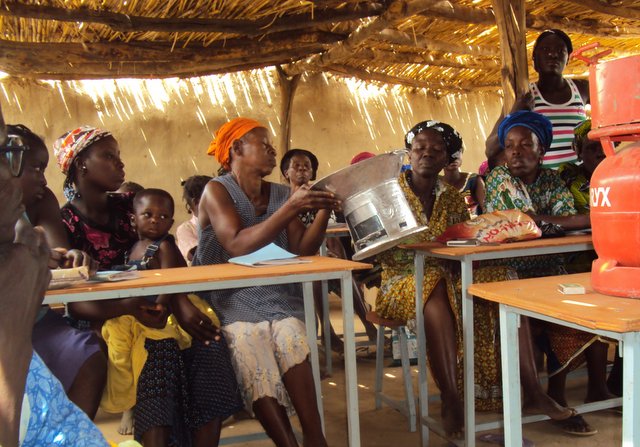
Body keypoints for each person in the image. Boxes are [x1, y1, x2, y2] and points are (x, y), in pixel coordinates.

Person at [375, 120, 574, 437]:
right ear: (408, 154)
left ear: (447, 158)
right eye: (419, 148)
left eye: (436, 150)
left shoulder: (452, 198)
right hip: (401, 279)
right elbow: (382, 252)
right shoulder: (388, 194)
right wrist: (429, 251)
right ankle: (452, 400)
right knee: (435, 286)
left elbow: (459, 240)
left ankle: (533, 389)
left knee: (503, 278)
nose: (427, 154)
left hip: (447, 274)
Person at [54, 126, 240, 446]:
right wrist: (130, 306)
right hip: (106, 315)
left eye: (119, 156)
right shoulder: (67, 223)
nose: (120, 164)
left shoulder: (130, 204)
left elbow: (163, 245)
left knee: (209, 342)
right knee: (159, 350)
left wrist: (179, 303)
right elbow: (76, 303)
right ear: (81, 164)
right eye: (109, 157)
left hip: (160, 303)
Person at [193, 117, 340, 447]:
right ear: (237, 149)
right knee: (250, 342)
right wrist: (291, 207)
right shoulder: (216, 191)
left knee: (290, 334)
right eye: (263, 143)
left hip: (276, 291)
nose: (273, 149)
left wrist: (322, 212)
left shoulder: (279, 193)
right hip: (228, 293)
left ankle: (315, 438)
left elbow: (302, 249)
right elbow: (235, 243)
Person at [484, 110, 610, 436]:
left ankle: (557, 393)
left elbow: (580, 220)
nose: (515, 151)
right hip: (506, 271)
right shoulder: (499, 178)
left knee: (575, 307)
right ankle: (539, 396)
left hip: (547, 267)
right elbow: (520, 224)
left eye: (525, 145)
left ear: (542, 152)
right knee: (519, 302)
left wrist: (541, 219)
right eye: (510, 145)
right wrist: (547, 221)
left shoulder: (552, 180)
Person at [0, 110, 108, 447]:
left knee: (90, 350)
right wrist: (14, 336)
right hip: (22, 328)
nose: (8, 174)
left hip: (31, 322)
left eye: (8, 152)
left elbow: (45, 244)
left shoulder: (26, 210)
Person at [101, 188, 242, 443]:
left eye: (164, 216)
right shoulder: (130, 249)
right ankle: (132, 409)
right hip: (137, 316)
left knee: (199, 346)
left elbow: (169, 281)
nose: (156, 220)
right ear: (133, 219)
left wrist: (163, 305)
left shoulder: (163, 247)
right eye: (148, 214)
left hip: (164, 314)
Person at [280, 148, 378, 349]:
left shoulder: (320, 198)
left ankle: (368, 328)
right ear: (285, 173)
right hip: (291, 260)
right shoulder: (281, 200)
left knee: (343, 274)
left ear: (313, 173)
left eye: (307, 167)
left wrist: (338, 261)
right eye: (296, 167)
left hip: (320, 256)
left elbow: (331, 235)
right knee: (316, 278)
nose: (302, 171)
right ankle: (329, 333)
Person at [486, 29, 588, 169]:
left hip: (579, 185)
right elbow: (491, 149)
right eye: (545, 49)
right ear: (534, 58)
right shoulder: (525, 97)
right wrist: (515, 113)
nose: (553, 54)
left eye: (560, 50)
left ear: (568, 59)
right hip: (543, 188)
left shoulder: (581, 89)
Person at [176, 175, 212, 263]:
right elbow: (196, 255)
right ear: (196, 202)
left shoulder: (223, 222)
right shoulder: (185, 229)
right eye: (216, 200)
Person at [440, 147, 485, 217]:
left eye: (457, 151)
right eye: (448, 152)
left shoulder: (473, 181)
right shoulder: (434, 186)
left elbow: (489, 211)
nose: (454, 156)